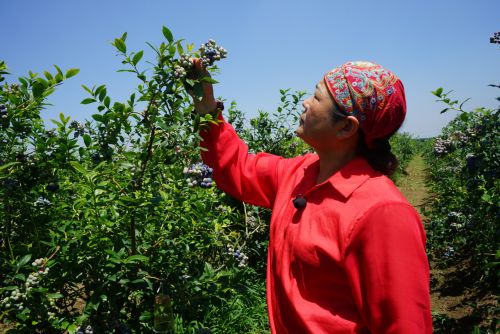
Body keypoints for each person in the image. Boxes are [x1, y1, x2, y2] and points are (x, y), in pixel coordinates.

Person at [189, 59, 432, 333]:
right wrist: (207, 108)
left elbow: (404, 324)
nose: (305, 102)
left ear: (346, 128)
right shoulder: (298, 173)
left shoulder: (382, 213)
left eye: (316, 97)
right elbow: (238, 168)